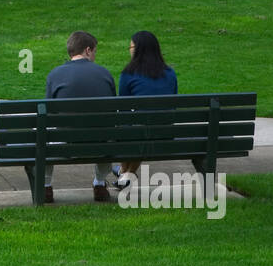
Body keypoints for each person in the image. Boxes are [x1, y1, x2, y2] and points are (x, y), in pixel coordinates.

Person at [41, 31, 116, 203]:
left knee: (43, 132)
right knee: (108, 131)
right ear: (88, 50)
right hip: (99, 143)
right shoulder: (104, 74)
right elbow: (112, 113)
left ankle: (45, 186)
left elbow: (49, 114)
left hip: (64, 144)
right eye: (95, 51)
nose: (95, 56)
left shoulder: (55, 74)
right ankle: (99, 184)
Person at [114, 30, 179, 185]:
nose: (130, 50)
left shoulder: (129, 74)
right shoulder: (170, 73)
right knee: (143, 128)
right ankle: (127, 175)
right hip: (165, 132)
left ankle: (123, 172)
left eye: (131, 47)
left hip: (141, 133)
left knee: (135, 130)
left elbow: (123, 110)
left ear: (138, 50)